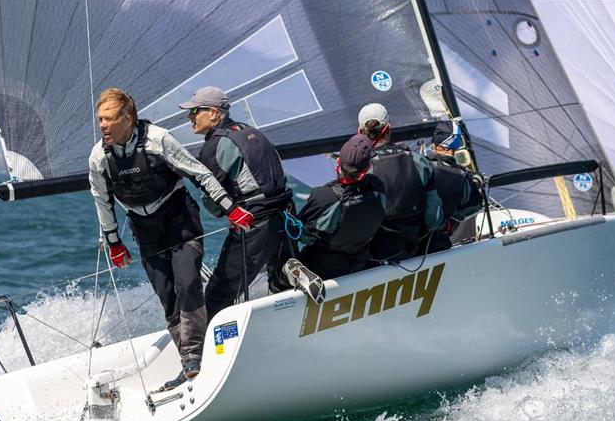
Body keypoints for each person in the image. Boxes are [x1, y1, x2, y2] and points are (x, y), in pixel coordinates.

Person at [88, 88, 232, 391]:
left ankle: (195, 357)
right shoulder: (99, 156)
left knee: (188, 282)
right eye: (100, 119)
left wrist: (231, 209)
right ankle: (190, 361)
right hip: (144, 229)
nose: (103, 125)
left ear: (128, 118)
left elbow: (200, 174)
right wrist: (114, 243)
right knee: (167, 295)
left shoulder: (157, 139)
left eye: (110, 119)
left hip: (179, 220)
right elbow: (102, 200)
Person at [178, 87, 296, 318]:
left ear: (213, 113)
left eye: (194, 110)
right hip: (286, 215)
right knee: (280, 282)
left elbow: (215, 207)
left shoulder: (213, 146)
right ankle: (287, 283)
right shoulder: (250, 130)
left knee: (217, 295)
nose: (189, 116)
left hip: (255, 223)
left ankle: (213, 350)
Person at [357, 103, 443, 263]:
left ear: (360, 131)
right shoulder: (420, 162)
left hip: (375, 257)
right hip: (414, 250)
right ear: (389, 127)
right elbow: (434, 219)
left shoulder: (362, 171)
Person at [296, 134, 385, 279]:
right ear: (367, 168)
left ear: (338, 162)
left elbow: (303, 235)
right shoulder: (377, 188)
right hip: (360, 263)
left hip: (323, 269)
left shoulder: (323, 196)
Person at [423, 120, 484, 253]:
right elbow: (475, 204)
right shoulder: (462, 177)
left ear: (435, 143)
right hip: (441, 243)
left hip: (412, 243)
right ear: (457, 145)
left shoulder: (421, 166)